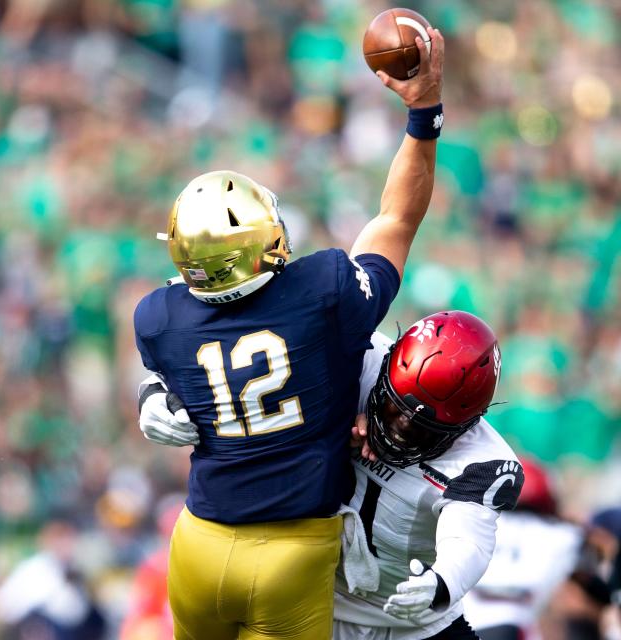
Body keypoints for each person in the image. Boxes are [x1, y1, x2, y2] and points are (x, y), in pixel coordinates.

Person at [133, 27, 445, 639]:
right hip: (292, 547)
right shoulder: (323, 292)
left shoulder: (158, 317)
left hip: (195, 544)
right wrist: (423, 113)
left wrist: (150, 394)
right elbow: (396, 219)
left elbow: (167, 367)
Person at [142, 310, 524, 639]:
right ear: (387, 368)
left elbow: (469, 538)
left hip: (416, 625)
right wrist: (156, 393)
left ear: (466, 426)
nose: (399, 429)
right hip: (310, 606)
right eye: (393, 410)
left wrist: (442, 583)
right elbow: (242, 359)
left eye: (421, 429)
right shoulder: (358, 357)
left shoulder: (481, 463)